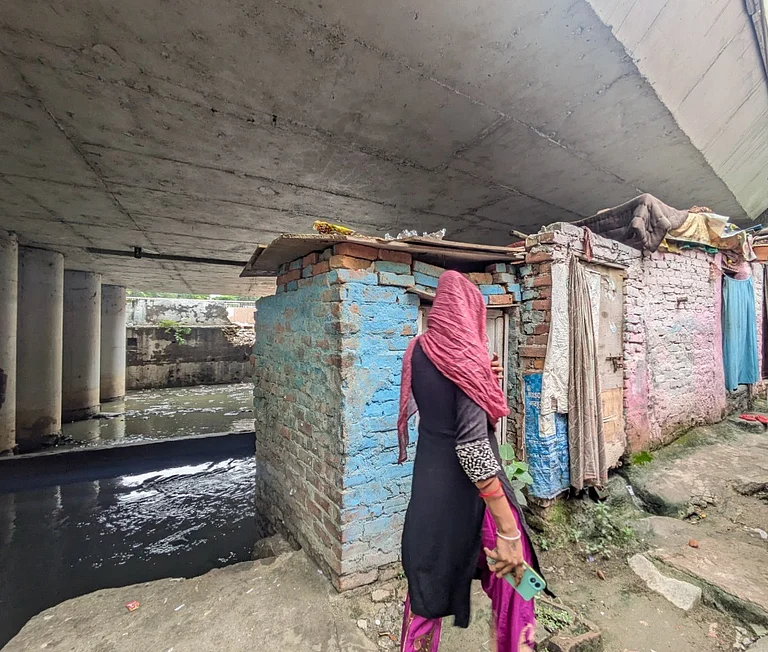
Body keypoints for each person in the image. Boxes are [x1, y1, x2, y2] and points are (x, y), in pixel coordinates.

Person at [397, 270, 542, 651]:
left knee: (427, 587)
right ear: (472, 312)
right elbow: (472, 448)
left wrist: (481, 377)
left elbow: (439, 393)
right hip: (474, 497)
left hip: (430, 491)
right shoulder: (467, 360)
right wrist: (508, 528)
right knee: (515, 576)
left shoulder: (418, 348)